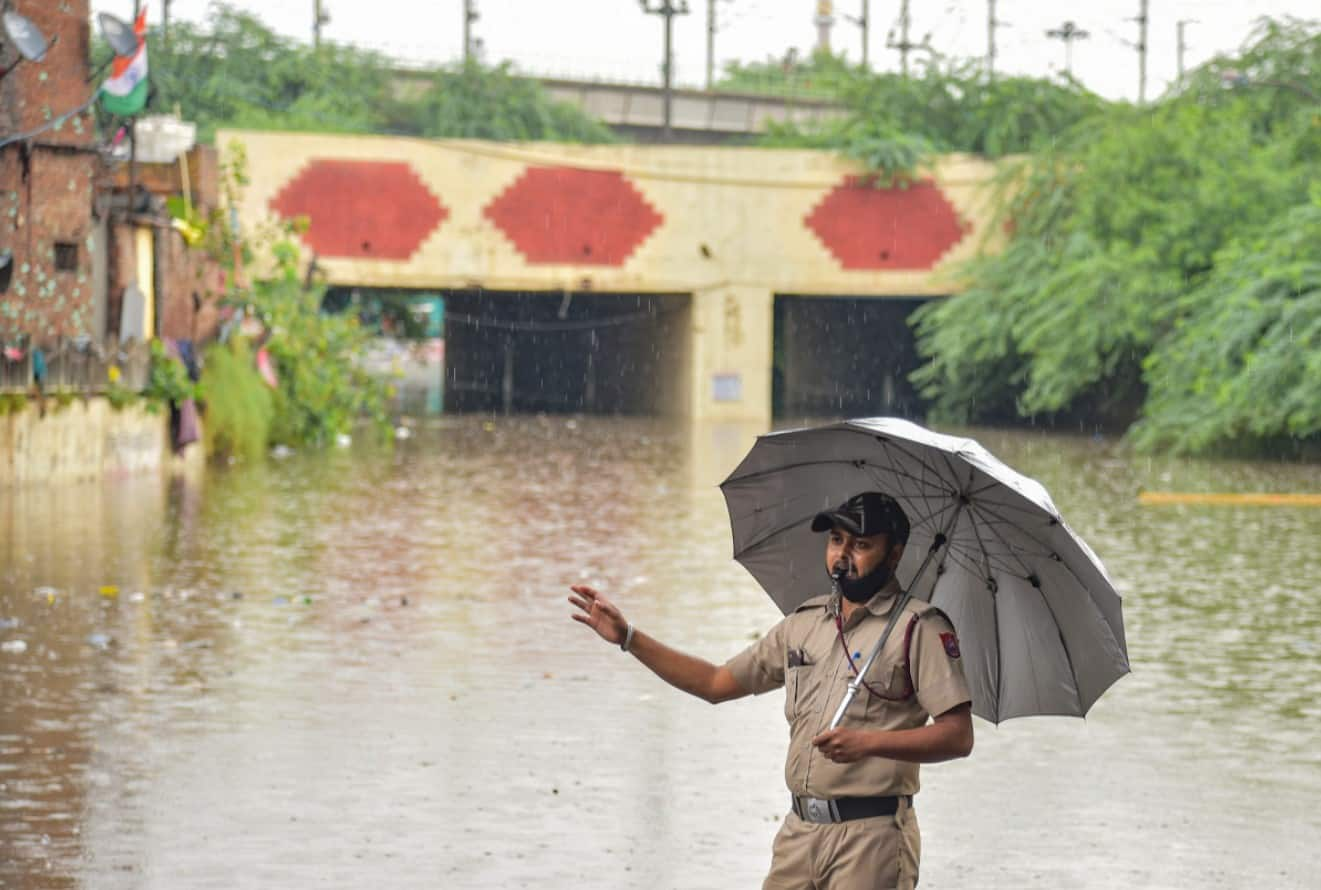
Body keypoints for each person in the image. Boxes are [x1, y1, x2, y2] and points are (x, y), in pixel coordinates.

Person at [568, 491, 973, 890]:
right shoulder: (805, 623)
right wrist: (629, 637)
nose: (843, 555)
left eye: (862, 545)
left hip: (872, 837)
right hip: (799, 833)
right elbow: (714, 683)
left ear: (895, 553)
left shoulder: (919, 628)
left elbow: (958, 736)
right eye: (836, 541)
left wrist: (868, 743)